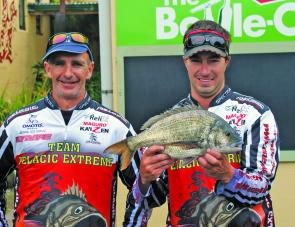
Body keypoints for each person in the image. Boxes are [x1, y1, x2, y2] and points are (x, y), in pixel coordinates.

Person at [132, 20, 280, 226]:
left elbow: (261, 187)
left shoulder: (256, 114)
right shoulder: (168, 122)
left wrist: (229, 175)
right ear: (184, 61)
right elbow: (154, 199)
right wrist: (144, 181)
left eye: (213, 60)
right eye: (195, 60)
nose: (204, 70)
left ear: (227, 61)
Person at [0, 32, 147, 226]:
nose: (68, 73)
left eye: (77, 64)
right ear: (48, 69)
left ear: (89, 70)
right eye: (60, 63)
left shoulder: (117, 128)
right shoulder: (16, 125)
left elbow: (146, 191)